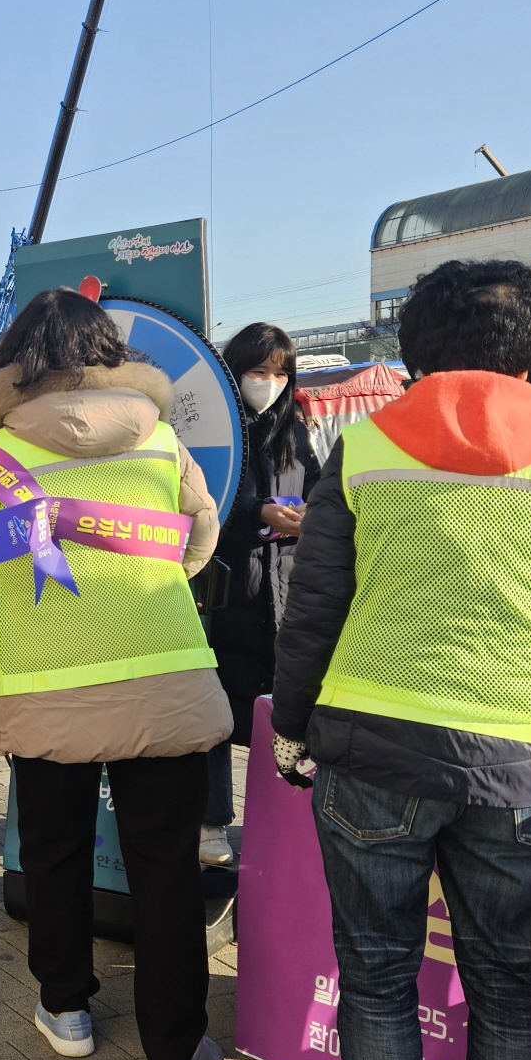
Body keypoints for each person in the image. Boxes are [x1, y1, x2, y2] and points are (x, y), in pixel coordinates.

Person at [272, 260, 531, 1060]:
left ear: (417, 346)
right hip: (521, 760)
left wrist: (291, 728)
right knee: (509, 973)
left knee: (377, 972)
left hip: (371, 749)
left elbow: (314, 609)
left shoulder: (368, 448)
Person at [0, 287, 234, 1060]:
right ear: (110, 354)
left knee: (56, 853)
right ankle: (176, 1052)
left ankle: (65, 1008)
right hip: (163, 675)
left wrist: (32, 601)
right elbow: (200, 536)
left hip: (46, 687)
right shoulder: (160, 439)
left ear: (15, 363)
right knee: (167, 867)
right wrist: (147, 581)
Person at [203, 323, 320, 865]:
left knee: (287, 710)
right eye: (258, 371)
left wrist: (310, 517)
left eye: (280, 372)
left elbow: (321, 489)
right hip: (227, 590)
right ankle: (210, 822)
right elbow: (205, 504)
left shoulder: (295, 430)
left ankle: (285, 821)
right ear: (234, 370)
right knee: (217, 715)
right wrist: (259, 514)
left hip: (286, 592)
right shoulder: (213, 424)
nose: (269, 382)